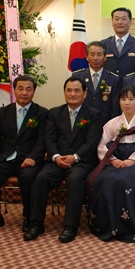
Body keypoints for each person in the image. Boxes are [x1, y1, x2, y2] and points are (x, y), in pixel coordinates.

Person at [24, 77, 102, 243]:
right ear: (64, 92)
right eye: (69, 90)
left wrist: (75, 157)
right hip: (57, 160)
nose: (72, 94)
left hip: (81, 161)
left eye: (77, 90)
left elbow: (92, 141)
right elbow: (49, 138)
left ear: (85, 93)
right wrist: (56, 157)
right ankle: (36, 223)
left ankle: (70, 226)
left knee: (75, 179)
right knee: (41, 178)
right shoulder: (54, 113)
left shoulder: (94, 114)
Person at [87, 86, 135, 242]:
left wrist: (132, 160)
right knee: (102, 180)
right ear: (119, 102)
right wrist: (112, 160)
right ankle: (107, 226)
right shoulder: (112, 123)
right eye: (123, 99)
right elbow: (102, 145)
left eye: (131, 99)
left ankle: (131, 227)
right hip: (116, 160)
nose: (127, 103)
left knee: (125, 181)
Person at [0, 75, 48, 233]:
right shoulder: (3, 112)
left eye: (28, 89)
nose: (24, 92)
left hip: (28, 160)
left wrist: (33, 157)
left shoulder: (42, 113)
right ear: (14, 90)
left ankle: (28, 217)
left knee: (28, 177)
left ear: (34, 91)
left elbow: (42, 140)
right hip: (6, 158)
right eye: (20, 88)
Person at [72, 41, 121, 125]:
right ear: (87, 57)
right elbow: (73, 101)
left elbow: (115, 107)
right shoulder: (78, 76)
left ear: (105, 57)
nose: (95, 58)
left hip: (105, 124)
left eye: (99, 54)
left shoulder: (114, 79)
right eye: (92, 54)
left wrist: (112, 126)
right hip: (82, 123)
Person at [101, 7, 135, 78]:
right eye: (116, 19)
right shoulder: (103, 44)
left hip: (132, 84)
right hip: (108, 84)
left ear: (130, 22)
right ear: (112, 22)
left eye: (124, 19)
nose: (120, 22)